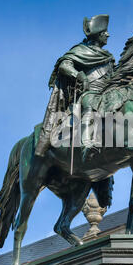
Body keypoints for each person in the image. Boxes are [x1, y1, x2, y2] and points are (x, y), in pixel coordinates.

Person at [35, 14, 115, 159]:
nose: (108, 35)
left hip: (107, 95)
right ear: (98, 35)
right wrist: (78, 75)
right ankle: (86, 144)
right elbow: (64, 66)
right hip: (88, 94)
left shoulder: (109, 58)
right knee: (90, 101)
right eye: (105, 32)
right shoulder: (81, 50)